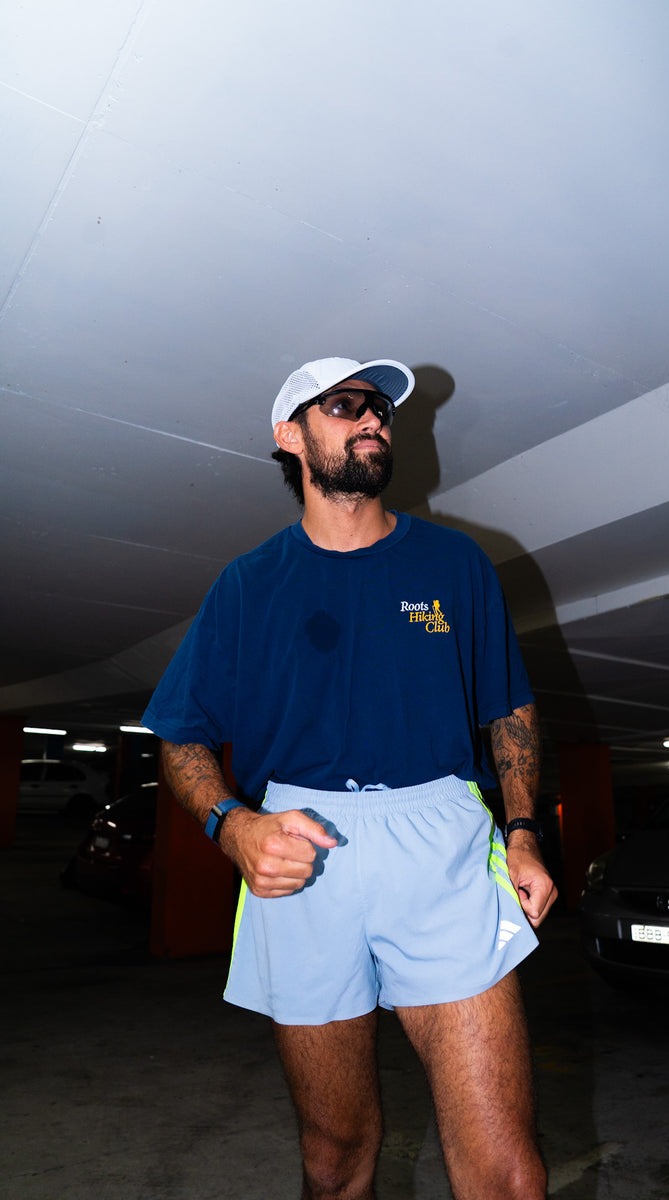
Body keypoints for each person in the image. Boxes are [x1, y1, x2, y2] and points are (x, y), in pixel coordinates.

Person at [143, 356, 558, 1200]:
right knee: (334, 1160)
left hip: (441, 841)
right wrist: (233, 825)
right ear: (290, 436)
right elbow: (181, 735)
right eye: (344, 405)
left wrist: (522, 832)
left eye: (379, 408)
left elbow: (508, 709)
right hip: (302, 854)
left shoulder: (454, 564)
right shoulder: (248, 584)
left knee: (507, 1173)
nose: (372, 419)